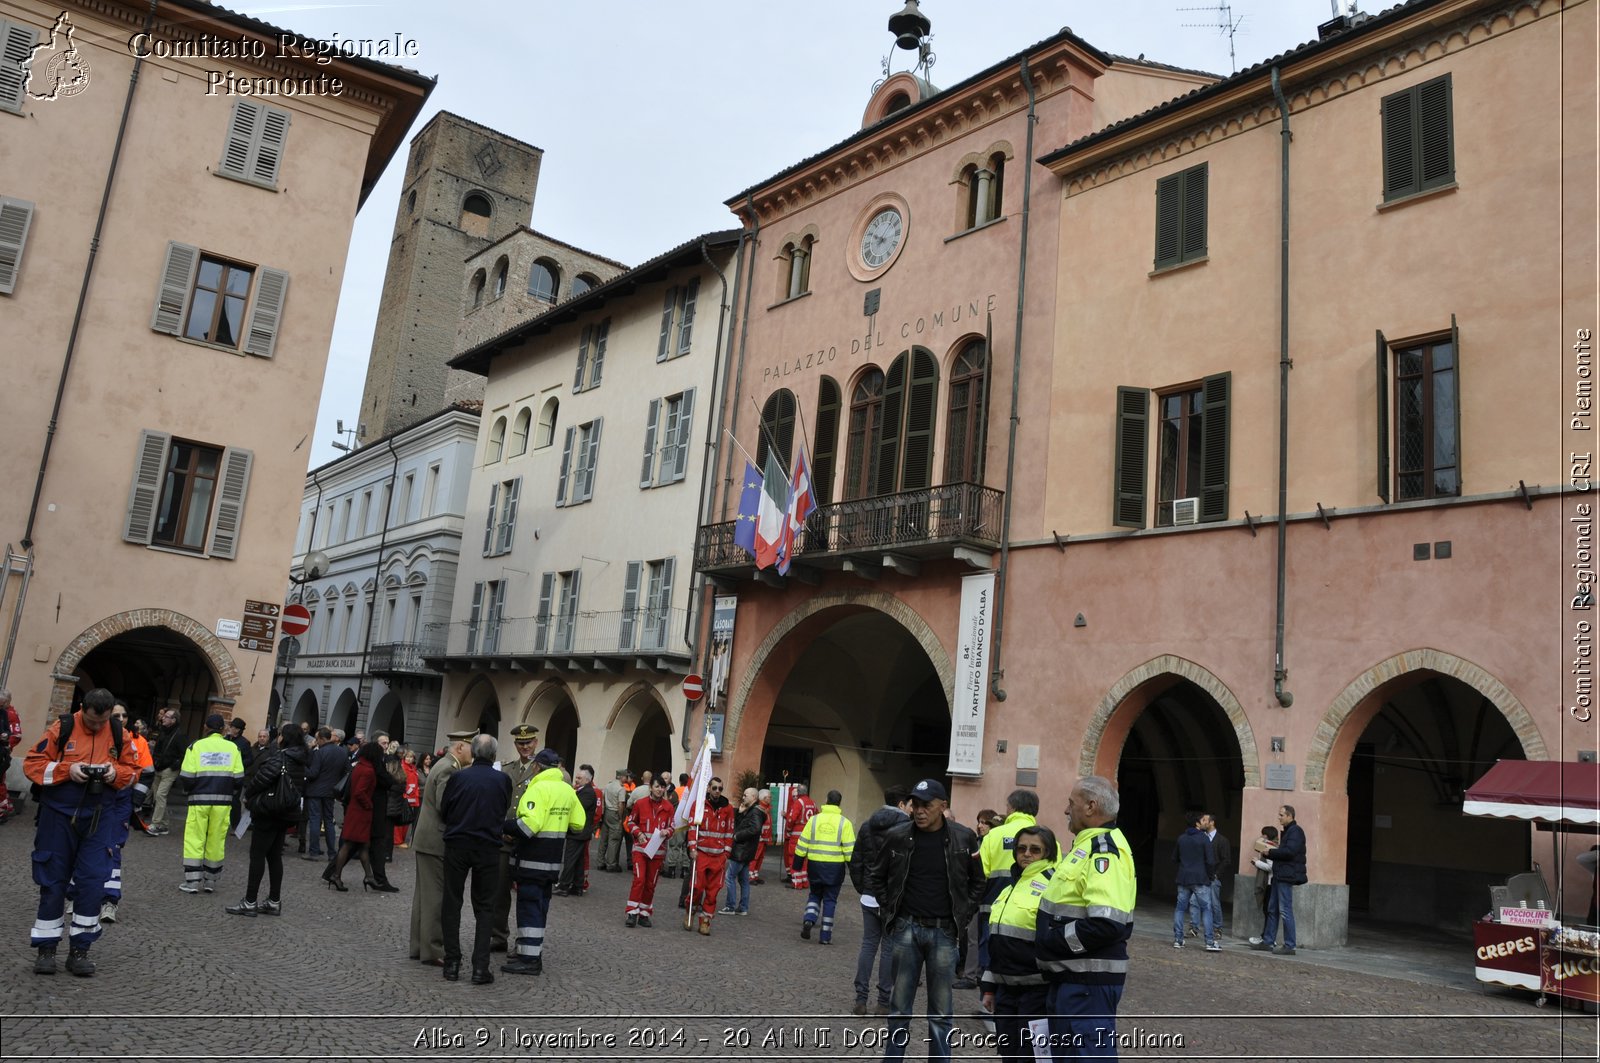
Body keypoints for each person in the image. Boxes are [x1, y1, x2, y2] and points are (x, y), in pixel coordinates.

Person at [23, 687, 143, 976]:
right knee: (53, 880)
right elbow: (32, 764)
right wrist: (67, 770)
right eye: (92, 722)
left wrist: (115, 774)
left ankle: (80, 951)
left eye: (102, 722)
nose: (97, 726)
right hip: (58, 815)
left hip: (100, 815)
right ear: (82, 708)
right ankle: (47, 950)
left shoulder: (118, 732)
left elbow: (134, 770)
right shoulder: (61, 727)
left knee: (92, 882)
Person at [867, 778, 985, 1062]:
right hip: (906, 928)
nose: (919, 811)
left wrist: (963, 914)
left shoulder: (963, 837)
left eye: (926, 805)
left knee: (941, 1012)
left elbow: (978, 882)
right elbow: (877, 875)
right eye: (915, 805)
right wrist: (890, 911)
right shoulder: (897, 835)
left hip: (944, 932)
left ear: (942, 806)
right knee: (899, 1008)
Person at [1036, 775, 1137, 1058]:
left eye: (1071, 804)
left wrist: (1053, 941)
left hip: (1087, 987)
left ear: (1091, 806)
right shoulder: (1087, 845)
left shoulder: (1104, 851)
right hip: (1073, 982)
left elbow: (1107, 924)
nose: (1067, 810)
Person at [502, 747, 586, 976]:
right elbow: (579, 823)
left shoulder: (537, 788)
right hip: (552, 863)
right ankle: (530, 952)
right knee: (540, 907)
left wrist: (505, 826)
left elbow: (529, 825)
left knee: (529, 908)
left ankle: (528, 960)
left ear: (537, 766)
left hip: (531, 861)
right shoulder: (568, 790)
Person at [981, 825, 1059, 1063]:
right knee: (1008, 1055)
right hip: (1006, 990)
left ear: (1048, 854)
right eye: (1022, 848)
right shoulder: (1009, 888)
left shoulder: (1053, 886)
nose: (1027, 854)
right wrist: (990, 987)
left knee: (1032, 1058)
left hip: (1037, 992)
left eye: (1035, 850)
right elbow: (997, 942)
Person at [440, 734, 513, 985]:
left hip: (458, 843)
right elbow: (503, 809)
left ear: (474, 752)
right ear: (493, 754)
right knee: (485, 908)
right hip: (488, 847)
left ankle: (451, 963)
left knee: (452, 902)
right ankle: (480, 967)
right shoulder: (503, 780)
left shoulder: (458, 776)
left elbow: (445, 810)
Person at [226, 722, 309, 917]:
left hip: (269, 810)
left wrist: (249, 795)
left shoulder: (281, 757)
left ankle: (250, 901)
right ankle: (273, 900)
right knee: (274, 856)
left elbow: (262, 778)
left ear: (284, 737)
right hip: (285, 811)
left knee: (257, 855)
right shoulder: (301, 758)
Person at [411, 732, 474, 966]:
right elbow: (445, 806)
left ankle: (420, 946)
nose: (473, 752)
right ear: (460, 747)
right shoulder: (449, 769)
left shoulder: (444, 765)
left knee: (424, 896)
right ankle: (433, 950)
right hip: (436, 841)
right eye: (471, 747)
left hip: (428, 839)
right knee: (435, 898)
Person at [849, 784, 911, 1016]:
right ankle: (883, 1001)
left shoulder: (867, 825)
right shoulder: (907, 827)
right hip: (893, 898)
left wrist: (862, 886)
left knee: (868, 945)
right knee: (888, 948)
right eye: (911, 805)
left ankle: (860, 998)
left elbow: (856, 861)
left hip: (869, 894)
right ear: (901, 804)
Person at [973, 790, 1040, 987]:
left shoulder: (994, 835)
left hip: (992, 908)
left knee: (989, 950)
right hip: (1031, 912)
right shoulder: (1047, 838)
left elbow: (980, 873)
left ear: (1011, 809)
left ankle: (988, 999)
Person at [179, 713, 244, 894]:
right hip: (223, 802)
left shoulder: (196, 746)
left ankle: (192, 882)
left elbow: (186, 776)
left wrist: (191, 790)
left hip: (199, 800)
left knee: (195, 838)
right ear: (223, 729)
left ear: (206, 727)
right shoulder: (233, 748)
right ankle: (210, 881)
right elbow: (239, 778)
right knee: (216, 840)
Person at [491, 722, 542, 950]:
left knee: (527, 895)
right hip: (504, 839)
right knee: (500, 892)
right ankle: (498, 936)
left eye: (529, 742)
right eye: (521, 743)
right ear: (515, 744)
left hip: (529, 840)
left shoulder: (544, 770)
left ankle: (524, 941)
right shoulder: (505, 768)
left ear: (536, 743)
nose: (525, 747)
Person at [99, 700, 149, 924]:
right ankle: (76, 895)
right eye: (116, 716)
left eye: (124, 716)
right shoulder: (98, 735)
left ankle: (110, 901)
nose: (121, 720)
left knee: (114, 848)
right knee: (85, 846)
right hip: (96, 800)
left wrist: (136, 798)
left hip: (121, 801)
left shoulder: (138, 741)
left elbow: (146, 772)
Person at [795, 788, 855, 944]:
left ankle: (809, 919)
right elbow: (849, 850)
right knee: (830, 900)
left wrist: (797, 863)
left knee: (815, 894)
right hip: (835, 868)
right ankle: (825, 936)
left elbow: (802, 843)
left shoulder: (814, 820)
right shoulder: (845, 823)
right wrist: (853, 869)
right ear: (839, 803)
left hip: (814, 865)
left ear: (827, 800)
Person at [324, 741, 385, 892]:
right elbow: (359, 792)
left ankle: (368, 876)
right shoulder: (368, 770)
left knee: (362, 845)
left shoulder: (360, 766)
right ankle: (337, 875)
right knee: (350, 845)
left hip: (355, 811)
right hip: (361, 812)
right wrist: (369, 805)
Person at [1251, 804, 1306, 956]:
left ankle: (1290, 945)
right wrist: (1272, 851)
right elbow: (1285, 851)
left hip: (1286, 876)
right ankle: (1268, 941)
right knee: (1272, 908)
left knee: (1285, 910)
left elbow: (1290, 852)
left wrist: (1272, 852)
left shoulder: (1296, 831)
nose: (1279, 817)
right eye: (1279, 814)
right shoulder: (1289, 832)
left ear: (1290, 816)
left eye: (1281, 815)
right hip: (1279, 875)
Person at [624, 772, 676, 927]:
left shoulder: (668, 807)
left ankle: (644, 913)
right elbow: (631, 822)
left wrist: (668, 832)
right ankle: (632, 912)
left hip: (657, 852)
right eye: (657, 786)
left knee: (650, 884)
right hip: (640, 849)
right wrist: (638, 833)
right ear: (651, 788)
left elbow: (672, 826)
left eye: (662, 787)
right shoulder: (640, 803)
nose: (660, 789)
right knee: (639, 880)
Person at [684, 776, 734, 934]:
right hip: (701, 853)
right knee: (697, 887)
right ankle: (690, 911)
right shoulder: (698, 805)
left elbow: (730, 832)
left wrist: (726, 853)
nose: (717, 791)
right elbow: (692, 828)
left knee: (713, 891)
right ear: (708, 789)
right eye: (714, 788)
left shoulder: (728, 808)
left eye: (720, 788)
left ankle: (705, 920)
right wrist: (692, 848)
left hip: (718, 857)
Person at [1172, 811, 1217, 951]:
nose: (1205, 822)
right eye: (1202, 820)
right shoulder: (1204, 839)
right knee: (1206, 909)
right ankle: (1209, 941)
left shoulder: (1181, 838)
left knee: (1180, 909)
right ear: (1197, 824)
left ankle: (1178, 940)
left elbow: (1174, 858)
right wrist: (1210, 876)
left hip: (1184, 878)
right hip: (1200, 878)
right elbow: (1210, 861)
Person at [302, 726, 345, 861]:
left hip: (315, 790)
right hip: (331, 791)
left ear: (321, 738)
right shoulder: (341, 752)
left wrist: (303, 767)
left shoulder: (319, 753)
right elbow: (347, 771)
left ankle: (314, 851)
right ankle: (332, 852)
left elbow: (313, 773)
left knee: (315, 820)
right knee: (329, 821)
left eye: (317, 739)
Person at [722, 786, 766, 917]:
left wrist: (737, 836)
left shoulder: (755, 812)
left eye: (746, 795)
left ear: (753, 797)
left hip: (741, 850)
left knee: (729, 877)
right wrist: (740, 813)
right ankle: (743, 908)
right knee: (743, 880)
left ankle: (730, 906)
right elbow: (742, 824)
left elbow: (755, 829)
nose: (743, 797)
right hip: (745, 851)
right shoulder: (750, 811)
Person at [555, 764, 598, 896]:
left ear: (587, 780)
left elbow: (576, 807)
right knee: (578, 860)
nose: (576, 780)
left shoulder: (588, 793)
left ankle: (564, 886)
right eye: (577, 777)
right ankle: (577, 886)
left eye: (579, 778)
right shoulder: (582, 790)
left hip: (578, 832)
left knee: (570, 859)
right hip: (579, 832)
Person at [145, 705, 187, 836]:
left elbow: (184, 754)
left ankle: (156, 824)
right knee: (158, 797)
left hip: (169, 770)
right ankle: (164, 824)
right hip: (158, 767)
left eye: (167, 717)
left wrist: (174, 766)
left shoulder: (179, 735)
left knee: (160, 795)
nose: (163, 718)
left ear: (174, 720)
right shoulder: (163, 732)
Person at [1201, 812, 1232, 939]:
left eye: (1205, 820)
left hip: (1213, 876)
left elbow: (1226, 859)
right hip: (1201, 875)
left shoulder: (1222, 840)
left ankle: (1217, 928)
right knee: (1195, 902)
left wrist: (1217, 874)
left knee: (1214, 903)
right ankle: (1194, 927)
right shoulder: (1201, 837)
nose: (1203, 822)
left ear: (1212, 822)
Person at [784, 783, 819, 890]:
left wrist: (789, 830)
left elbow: (791, 819)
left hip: (797, 835)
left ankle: (796, 883)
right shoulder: (813, 803)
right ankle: (804, 882)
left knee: (794, 858)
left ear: (798, 792)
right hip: (808, 835)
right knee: (804, 859)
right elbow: (817, 816)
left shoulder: (798, 802)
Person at [225, 717, 253, 829]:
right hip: (224, 773)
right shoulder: (225, 739)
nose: (231, 729)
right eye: (231, 726)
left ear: (238, 730)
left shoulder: (244, 743)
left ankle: (235, 824)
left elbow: (249, 759)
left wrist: (237, 763)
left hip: (236, 775)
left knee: (234, 801)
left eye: (234, 727)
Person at [598, 768, 628, 871]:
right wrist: (620, 817)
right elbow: (621, 804)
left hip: (606, 811)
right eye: (625, 776)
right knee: (614, 839)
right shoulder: (621, 789)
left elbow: (603, 799)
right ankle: (611, 863)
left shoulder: (608, 785)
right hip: (615, 813)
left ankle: (600, 861)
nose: (626, 778)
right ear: (621, 777)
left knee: (604, 838)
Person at [0, 689, 21, 823]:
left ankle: (2, 810)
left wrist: (6, 746)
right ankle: (6, 806)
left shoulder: (11, 715)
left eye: (2, 704)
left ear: (7, 702)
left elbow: (17, 736)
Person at [397, 749, 421, 848]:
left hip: (412, 798)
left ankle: (401, 839)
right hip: (404, 797)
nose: (409, 759)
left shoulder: (413, 768)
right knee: (401, 819)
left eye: (411, 757)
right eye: (407, 757)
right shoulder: (402, 768)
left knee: (406, 819)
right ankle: (398, 841)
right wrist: (408, 792)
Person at [749, 788, 773, 884]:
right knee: (755, 857)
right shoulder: (759, 809)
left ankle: (755, 875)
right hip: (759, 838)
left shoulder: (767, 809)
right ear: (763, 798)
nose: (770, 799)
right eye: (769, 797)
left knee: (760, 858)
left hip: (764, 839)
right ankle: (750, 876)